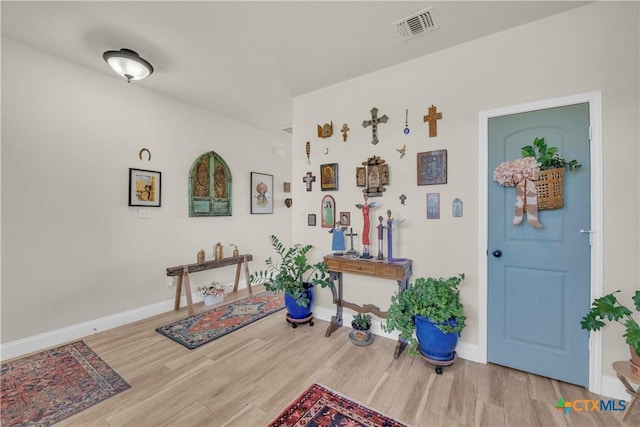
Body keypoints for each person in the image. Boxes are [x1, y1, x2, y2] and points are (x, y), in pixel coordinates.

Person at [355, 194, 377, 259]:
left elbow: (373, 205)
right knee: (364, 233)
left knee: (367, 232)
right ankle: (364, 248)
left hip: (367, 219)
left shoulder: (368, 205)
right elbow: (359, 206)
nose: (365, 198)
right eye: (364, 197)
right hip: (364, 219)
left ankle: (367, 249)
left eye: (366, 197)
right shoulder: (362, 206)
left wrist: (368, 206)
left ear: (367, 198)